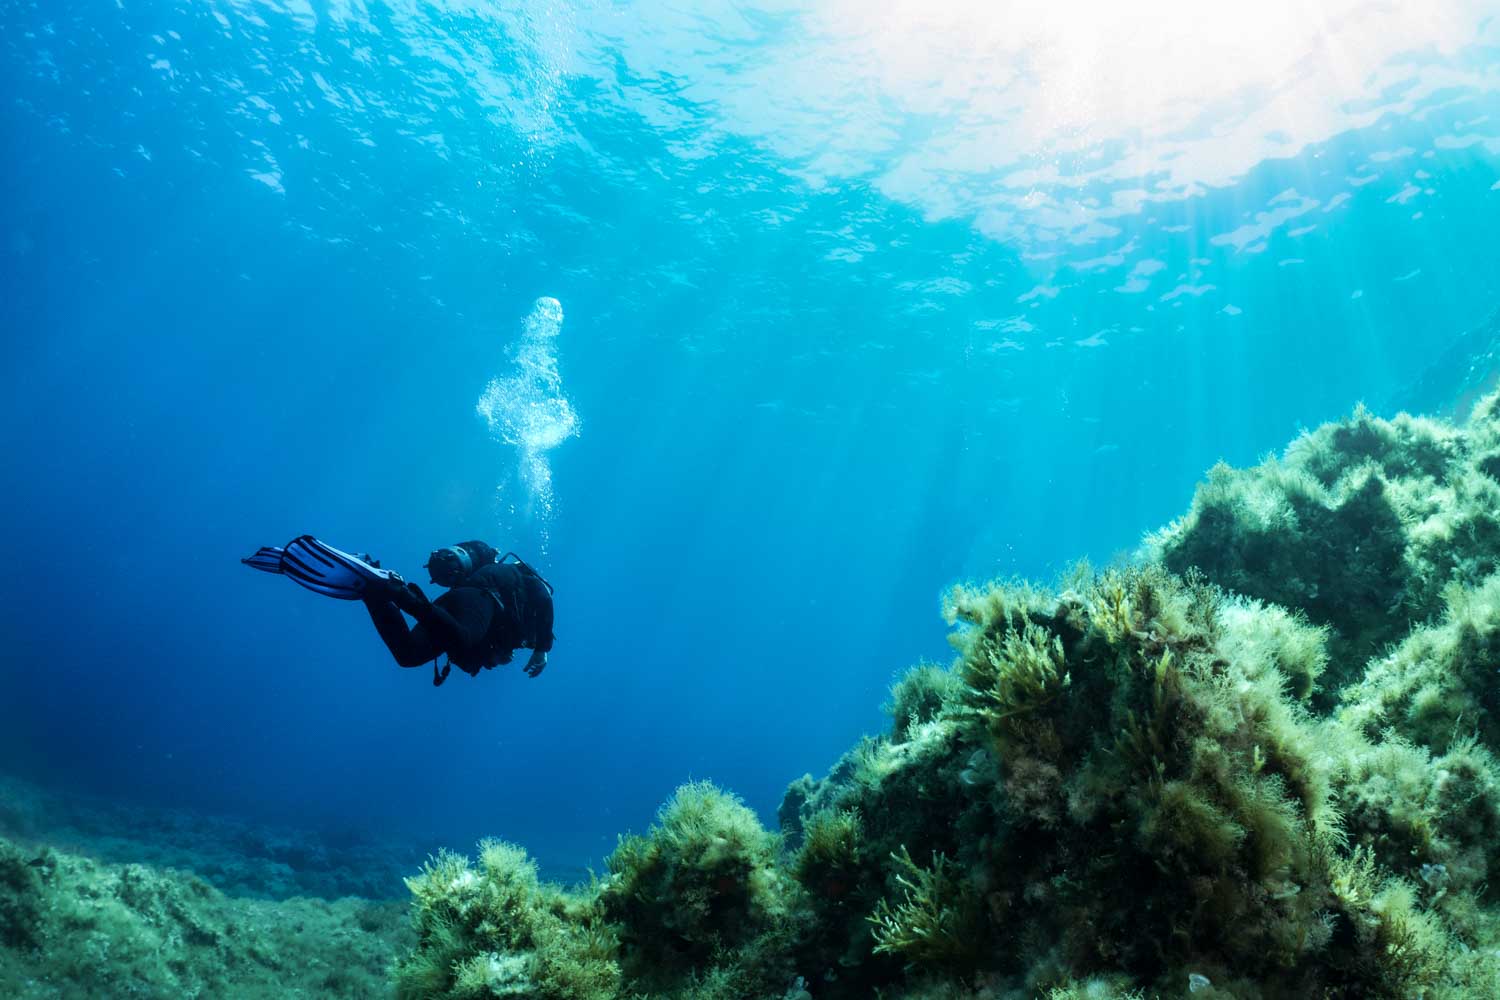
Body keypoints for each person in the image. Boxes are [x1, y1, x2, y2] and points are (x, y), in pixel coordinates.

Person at [243, 536, 554, 687]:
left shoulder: (512, 614)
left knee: (409, 654)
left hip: (458, 604)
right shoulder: (525, 586)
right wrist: (541, 650)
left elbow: (480, 640)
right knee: (462, 639)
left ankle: (372, 590)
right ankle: (396, 589)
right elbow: (543, 594)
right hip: (480, 598)